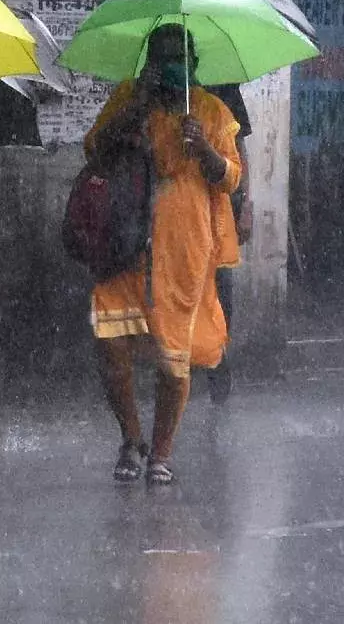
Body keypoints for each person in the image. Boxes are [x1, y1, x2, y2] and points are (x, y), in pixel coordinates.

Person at [84, 25, 240, 486]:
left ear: (193, 64)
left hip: (183, 249)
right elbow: (93, 147)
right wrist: (134, 112)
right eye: (162, 56)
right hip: (124, 241)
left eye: (180, 57)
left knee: (175, 357)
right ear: (149, 62)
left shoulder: (212, 111)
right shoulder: (130, 99)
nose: (172, 65)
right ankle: (131, 439)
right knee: (111, 342)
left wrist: (205, 148)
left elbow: (231, 177)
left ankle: (161, 453)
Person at [204, 85, 254, 405]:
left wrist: (247, 203)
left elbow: (240, 149)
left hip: (223, 205)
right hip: (178, 208)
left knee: (221, 289)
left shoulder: (224, 87)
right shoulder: (166, 92)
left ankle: (218, 356)